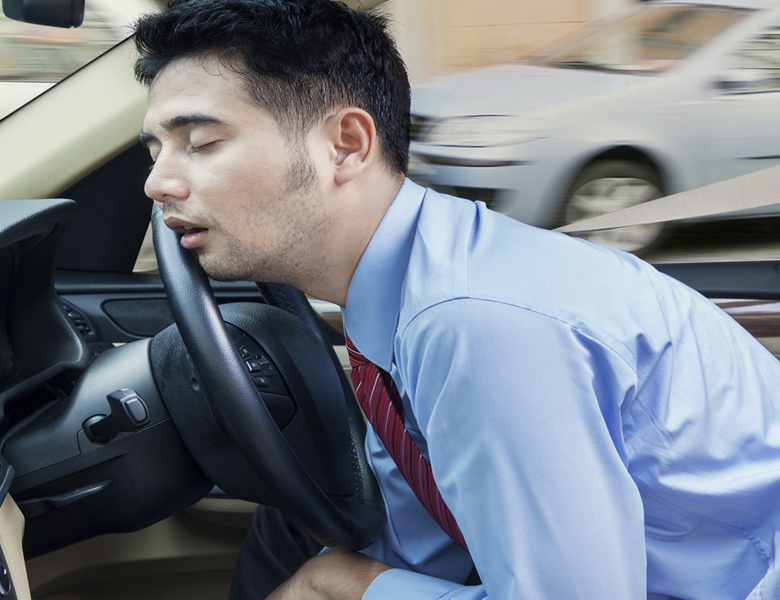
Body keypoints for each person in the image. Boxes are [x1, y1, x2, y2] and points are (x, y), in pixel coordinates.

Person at [133, 1, 780, 598]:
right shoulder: (394, 288)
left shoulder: (476, 322)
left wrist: (347, 586)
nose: (158, 181)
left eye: (202, 143)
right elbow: (423, 526)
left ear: (346, 145)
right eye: (156, 149)